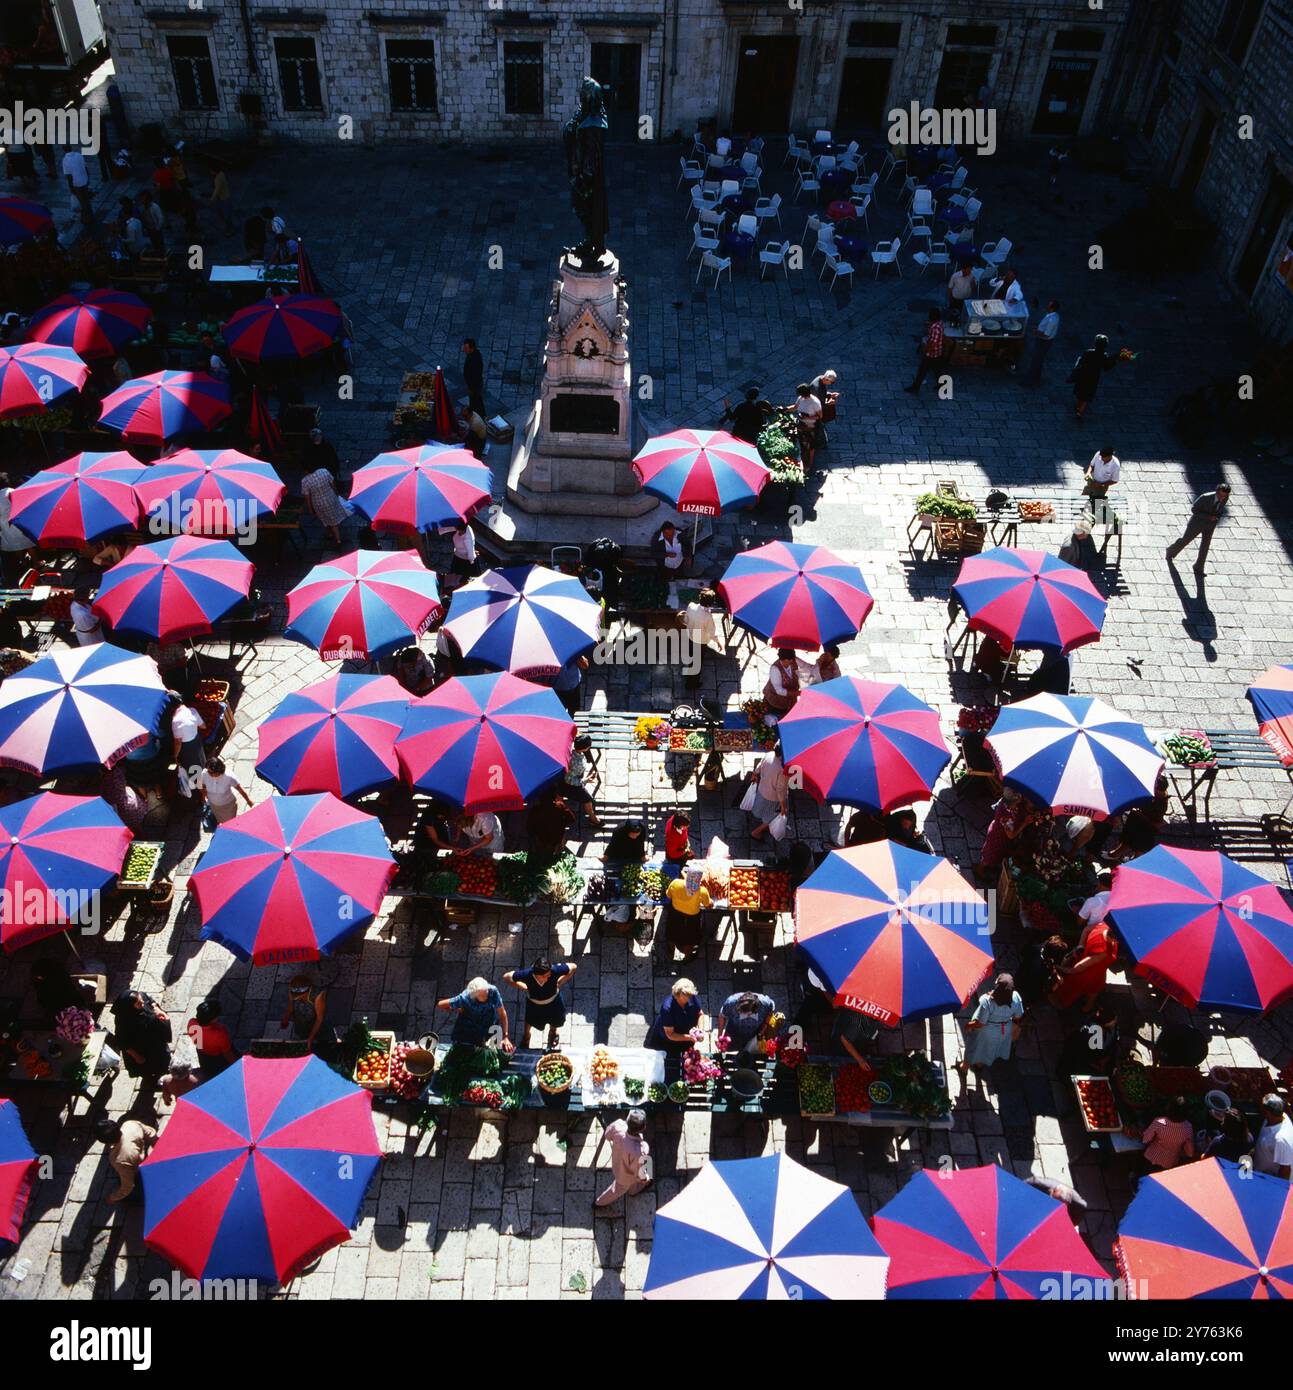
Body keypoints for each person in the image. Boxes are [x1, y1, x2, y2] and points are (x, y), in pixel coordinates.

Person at [503, 956, 576, 1049]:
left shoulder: (554, 970)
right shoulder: (527, 974)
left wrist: (560, 982)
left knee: (556, 1020)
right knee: (530, 1021)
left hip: (554, 1002)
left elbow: (573, 967)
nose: (547, 978)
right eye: (544, 976)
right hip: (534, 1005)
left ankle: (553, 1032)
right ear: (535, 974)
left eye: (548, 975)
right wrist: (523, 987)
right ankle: (526, 1037)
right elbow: (506, 977)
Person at [958, 973, 1024, 1075]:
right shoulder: (1016, 997)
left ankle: (964, 1068)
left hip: (984, 1032)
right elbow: (1018, 1016)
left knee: (973, 1047)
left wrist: (968, 1025)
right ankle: (979, 1066)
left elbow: (980, 1023)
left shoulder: (987, 1001)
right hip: (1002, 1031)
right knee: (989, 1050)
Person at [974, 787, 1038, 883]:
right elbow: (1011, 835)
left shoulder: (1007, 803)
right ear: (1013, 802)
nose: (1021, 799)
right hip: (998, 837)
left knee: (997, 855)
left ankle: (991, 865)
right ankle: (980, 870)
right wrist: (1025, 823)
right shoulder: (1006, 816)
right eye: (1019, 799)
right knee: (990, 856)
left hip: (1000, 834)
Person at [1166, 483, 1230, 576]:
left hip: (1210, 525)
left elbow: (1220, 509)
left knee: (1205, 546)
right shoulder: (1205, 497)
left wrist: (1216, 518)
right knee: (1186, 540)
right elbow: (1194, 509)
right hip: (1197, 523)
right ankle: (1171, 551)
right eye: (1220, 495)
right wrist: (1208, 516)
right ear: (1216, 491)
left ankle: (1199, 567)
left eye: (1224, 496)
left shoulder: (1225, 498)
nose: (1222, 498)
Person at [593, 1109, 652, 1208]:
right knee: (616, 1190)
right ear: (643, 1128)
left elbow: (607, 1135)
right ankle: (599, 1203)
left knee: (630, 1182)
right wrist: (646, 1179)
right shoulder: (641, 1150)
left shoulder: (618, 1125)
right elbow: (642, 1173)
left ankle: (633, 1190)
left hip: (617, 1163)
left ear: (627, 1120)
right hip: (624, 1176)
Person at [437, 976, 513, 1051]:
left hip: (490, 1025)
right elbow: (440, 1004)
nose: (486, 995)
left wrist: (505, 1036)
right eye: (482, 995)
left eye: (486, 991)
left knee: (493, 1053)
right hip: (470, 1030)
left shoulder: (492, 991)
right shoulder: (465, 998)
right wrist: (458, 1009)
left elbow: (502, 1013)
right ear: (474, 996)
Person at [110, 989, 172, 1080]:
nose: (143, 1003)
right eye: (138, 1003)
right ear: (130, 1007)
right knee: (147, 1069)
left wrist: (156, 1007)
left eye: (141, 1000)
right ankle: (150, 1081)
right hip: (142, 1049)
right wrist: (136, 1056)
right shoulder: (123, 1022)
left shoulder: (141, 996)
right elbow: (122, 1041)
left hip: (156, 1042)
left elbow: (150, 1001)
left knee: (163, 1062)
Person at [95, 1118, 157, 1204]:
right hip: (142, 1153)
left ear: (106, 1142)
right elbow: (150, 1133)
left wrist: (113, 1198)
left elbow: (128, 1186)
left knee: (129, 1199)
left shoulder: (118, 1159)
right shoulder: (130, 1124)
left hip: (138, 1170)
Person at [662, 871, 711, 961]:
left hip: (675, 914)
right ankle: (687, 957)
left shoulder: (675, 883)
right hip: (692, 919)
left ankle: (671, 951)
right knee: (690, 939)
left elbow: (668, 895)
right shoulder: (702, 891)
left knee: (671, 932)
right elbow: (708, 905)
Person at [645, 978, 704, 1052]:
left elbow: (700, 1014)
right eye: (687, 996)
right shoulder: (667, 1008)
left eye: (690, 995)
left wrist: (700, 1030)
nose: (689, 998)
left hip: (687, 1035)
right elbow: (670, 1034)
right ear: (678, 995)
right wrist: (690, 1037)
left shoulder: (691, 996)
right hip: (670, 1041)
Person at [300, 458, 348, 548]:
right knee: (333, 518)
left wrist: (310, 509)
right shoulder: (323, 471)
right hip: (331, 498)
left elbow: (307, 497)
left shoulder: (305, 481)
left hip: (318, 503)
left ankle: (333, 536)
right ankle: (337, 538)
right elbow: (333, 484)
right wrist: (336, 493)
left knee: (323, 518)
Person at [1069, 334, 1118, 420]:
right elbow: (1107, 367)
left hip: (1083, 375)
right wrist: (1114, 360)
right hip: (1093, 378)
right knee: (1087, 396)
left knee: (1081, 392)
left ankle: (1078, 406)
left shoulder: (1088, 352)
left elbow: (1081, 362)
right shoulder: (1103, 356)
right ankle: (1079, 412)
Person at [1140, 1097, 1196, 1171]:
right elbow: (1190, 1152)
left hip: (1151, 1158)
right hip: (1170, 1163)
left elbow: (1145, 1139)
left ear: (1169, 1109)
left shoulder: (1159, 1122)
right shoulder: (1188, 1127)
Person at [747, 747, 789, 841]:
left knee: (762, 808)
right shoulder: (783, 769)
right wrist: (783, 806)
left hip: (762, 789)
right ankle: (756, 832)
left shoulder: (769, 754)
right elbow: (780, 790)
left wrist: (755, 773)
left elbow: (760, 765)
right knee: (772, 815)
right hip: (773, 798)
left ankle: (758, 820)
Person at [187, 997, 237, 1075]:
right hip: (218, 1057)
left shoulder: (191, 1023)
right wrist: (236, 1065)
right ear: (212, 1019)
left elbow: (198, 1043)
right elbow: (227, 1052)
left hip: (203, 1055)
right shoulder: (220, 1033)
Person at [0, 473, 35, 586]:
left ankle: (23, 561)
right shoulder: (11, 490)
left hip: (5, 523)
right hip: (17, 520)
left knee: (15, 544)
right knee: (27, 542)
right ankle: (36, 562)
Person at [280, 975, 328, 1052]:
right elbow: (290, 1006)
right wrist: (285, 1019)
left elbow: (319, 1019)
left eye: (298, 996)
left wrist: (310, 1038)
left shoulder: (317, 996)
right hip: (300, 1023)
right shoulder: (292, 989)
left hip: (317, 1025)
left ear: (307, 991)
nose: (296, 998)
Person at [170, 692, 205, 799]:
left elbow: (178, 742)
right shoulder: (192, 711)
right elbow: (203, 726)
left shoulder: (175, 721)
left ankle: (203, 795)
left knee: (194, 770)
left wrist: (175, 755)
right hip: (197, 742)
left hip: (187, 748)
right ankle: (203, 786)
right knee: (200, 763)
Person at [199, 756, 252, 825]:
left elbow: (240, 790)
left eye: (211, 772)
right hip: (214, 805)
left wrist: (249, 801)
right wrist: (203, 798)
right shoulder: (204, 773)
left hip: (228, 806)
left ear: (218, 771)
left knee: (230, 823)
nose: (208, 773)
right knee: (218, 819)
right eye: (208, 771)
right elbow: (202, 787)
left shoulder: (229, 777)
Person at [903, 308, 946, 394]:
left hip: (932, 353)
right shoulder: (939, 324)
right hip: (937, 352)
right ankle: (942, 384)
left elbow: (933, 343)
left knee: (923, 370)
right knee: (936, 370)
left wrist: (926, 351)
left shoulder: (935, 329)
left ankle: (916, 387)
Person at [563, 734, 602, 828]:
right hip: (570, 785)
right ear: (585, 748)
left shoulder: (570, 747)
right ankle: (593, 819)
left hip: (569, 777)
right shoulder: (577, 763)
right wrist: (585, 780)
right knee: (588, 800)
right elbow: (569, 780)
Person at [1019, 300, 1060, 385]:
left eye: (1048, 305)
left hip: (1043, 342)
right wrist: (1037, 328)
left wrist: (1036, 333)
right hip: (1043, 341)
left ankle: (1030, 381)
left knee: (1036, 361)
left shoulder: (1052, 320)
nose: (1046, 306)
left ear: (1052, 308)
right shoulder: (1054, 316)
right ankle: (1035, 379)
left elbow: (1046, 335)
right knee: (1037, 361)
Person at [527, 791, 576, 862]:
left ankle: (540, 851)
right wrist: (564, 808)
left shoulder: (535, 810)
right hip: (556, 839)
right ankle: (557, 851)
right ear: (554, 798)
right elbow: (572, 820)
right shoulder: (560, 807)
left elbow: (529, 828)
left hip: (540, 840)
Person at [1254, 1095, 1293, 1179]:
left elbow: (1285, 1171)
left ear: (1267, 1113)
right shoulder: (1278, 1116)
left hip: (1267, 1180)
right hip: (1258, 1172)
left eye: (1261, 1107)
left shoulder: (1281, 1140)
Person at [791, 382, 822, 469]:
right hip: (801, 425)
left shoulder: (815, 402)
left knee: (811, 446)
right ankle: (803, 460)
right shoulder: (801, 398)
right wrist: (785, 409)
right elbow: (795, 407)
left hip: (811, 427)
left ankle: (810, 463)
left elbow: (820, 416)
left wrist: (807, 416)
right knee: (802, 443)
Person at [762, 647, 800, 715]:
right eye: (789, 660)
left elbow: (805, 667)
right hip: (774, 701)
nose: (792, 661)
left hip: (790, 701)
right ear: (783, 660)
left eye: (792, 659)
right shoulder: (775, 669)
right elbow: (779, 691)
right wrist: (797, 693)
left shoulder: (792, 660)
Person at [62, 145, 92, 223]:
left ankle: (86, 218)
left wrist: (71, 187)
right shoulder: (79, 155)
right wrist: (88, 177)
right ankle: (90, 214)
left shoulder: (65, 160)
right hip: (84, 180)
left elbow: (69, 175)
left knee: (82, 201)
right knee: (87, 199)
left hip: (76, 183)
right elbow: (85, 167)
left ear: (63, 150)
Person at [462, 338, 486, 420]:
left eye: (466, 348)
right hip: (474, 384)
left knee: (476, 401)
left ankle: (478, 416)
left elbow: (475, 376)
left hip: (475, 385)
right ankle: (478, 414)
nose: (464, 350)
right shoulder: (472, 354)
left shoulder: (475, 359)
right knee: (476, 400)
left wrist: (471, 388)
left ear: (472, 348)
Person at [207, 166, 234, 234]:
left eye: (211, 171)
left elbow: (217, 191)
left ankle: (229, 230)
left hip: (224, 198)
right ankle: (227, 226)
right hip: (223, 197)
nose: (210, 172)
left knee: (226, 214)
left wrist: (211, 200)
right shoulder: (221, 173)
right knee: (221, 211)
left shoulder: (218, 179)